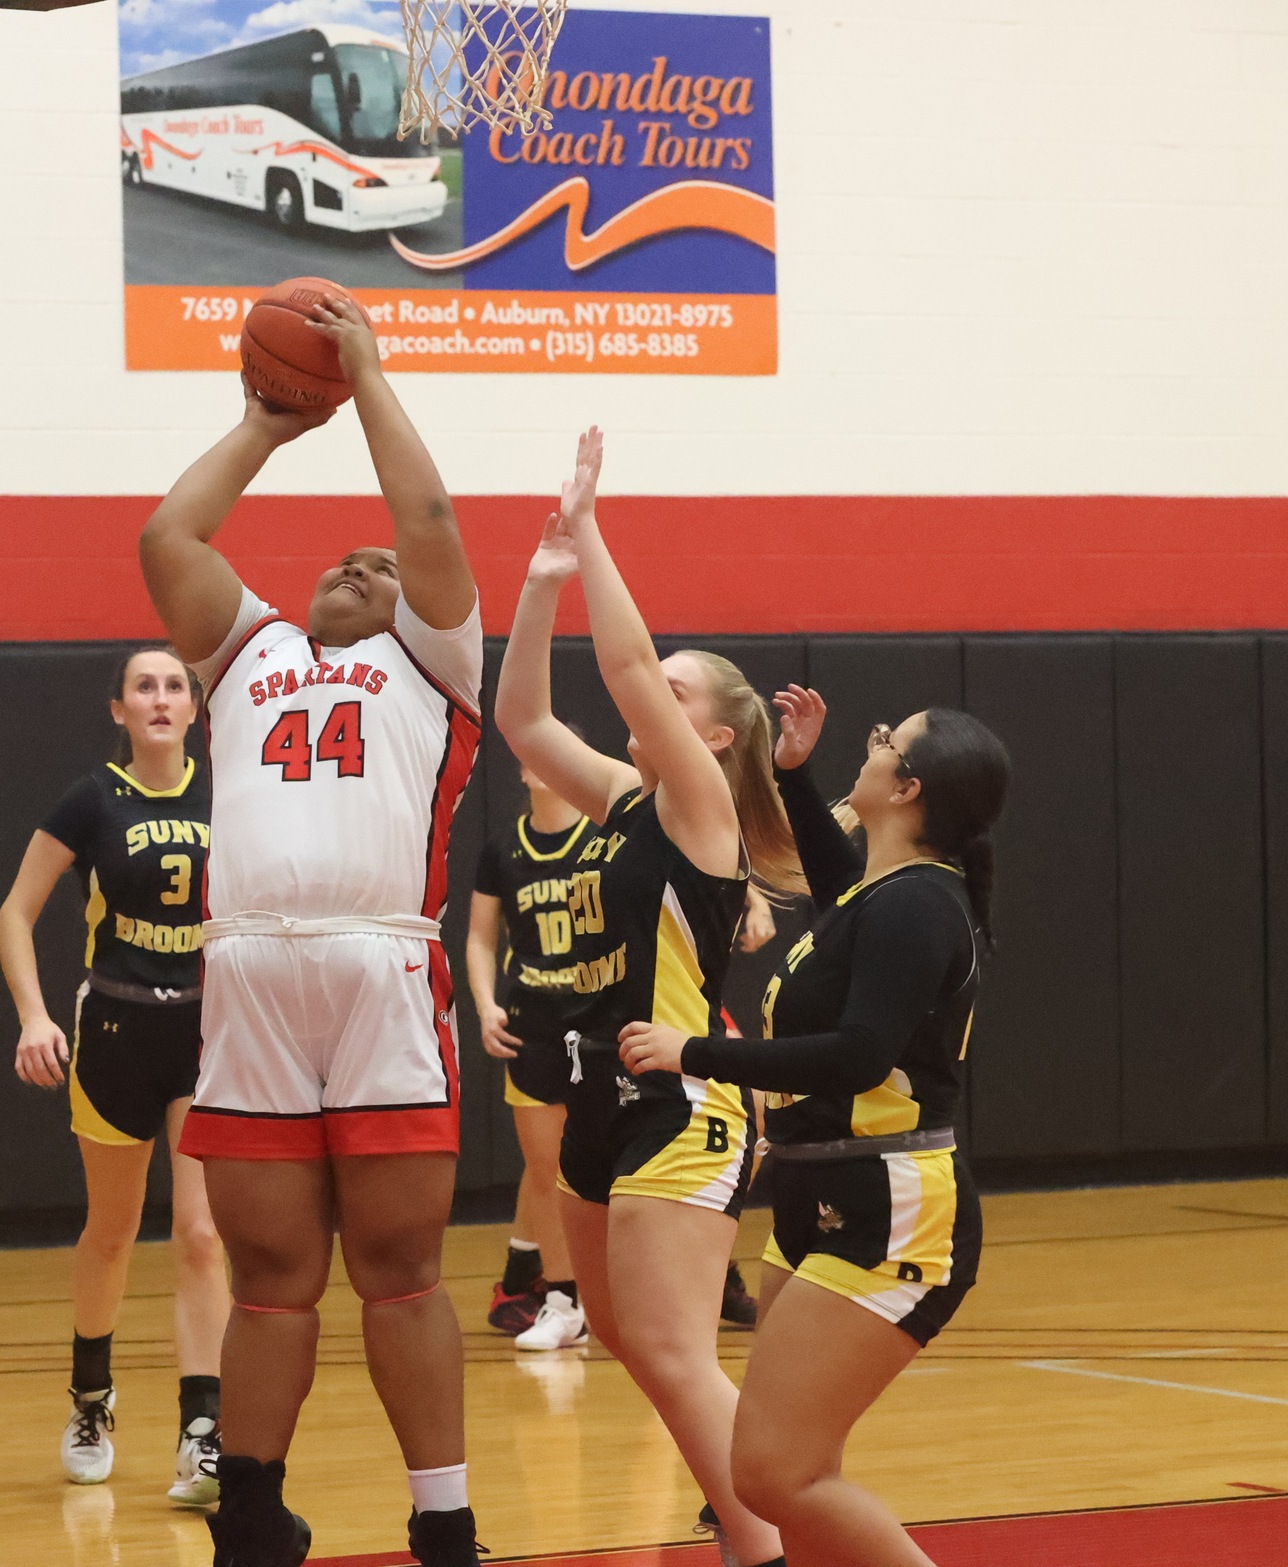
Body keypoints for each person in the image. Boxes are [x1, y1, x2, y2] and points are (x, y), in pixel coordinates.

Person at [138, 296, 485, 1567]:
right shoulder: (245, 651)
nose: (358, 561)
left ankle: (441, 1525)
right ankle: (248, 1514)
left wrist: (369, 376)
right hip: (246, 970)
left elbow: (429, 524)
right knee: (271, 1271)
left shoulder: (435, 662)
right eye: (338, 559)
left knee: (397, 1266)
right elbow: (168, 532)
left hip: (380, 957)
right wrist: (265, 425)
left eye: (375, 566)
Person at [493, 428, 807, 1567]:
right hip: (594, 1101)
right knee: (628, 1337)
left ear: (710, 735)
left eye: (677, 691)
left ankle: (767, 1541)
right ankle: (743, 1525)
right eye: (655, 681)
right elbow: (522, 720)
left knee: (674, 1352)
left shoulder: (700, 812)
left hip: (679, 1103)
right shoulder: (626, 798)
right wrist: (535, 588)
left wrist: (586, 530)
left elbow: (623, 669)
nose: (645, 687)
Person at [621, 687, 1009, 1565]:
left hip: (887, 1200)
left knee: (770, 1478)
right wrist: (792, 775)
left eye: (883, 740)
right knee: (794, 1467)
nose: (867, 746)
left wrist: (693, 1053)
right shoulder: (881, 892)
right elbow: (836, 879)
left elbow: (856, 1055)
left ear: (906, 788)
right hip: (818, 1187)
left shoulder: (917, 903)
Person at [0, 648, 230, 1504]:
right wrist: (33, 1014)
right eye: (145, 686)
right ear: (118, 709)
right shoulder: (93, 797)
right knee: (113, 1230)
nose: (161, 698)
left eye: (175, 685)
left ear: (195, 707)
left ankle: (203, 1431)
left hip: (204, 1029)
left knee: (203, 1235)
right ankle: (90, 1399)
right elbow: (14, 914)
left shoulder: (228, 791)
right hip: (117, 1028)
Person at [466, 758, 591, 1349]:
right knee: (547, 1173)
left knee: (615, 1166)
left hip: (597, 1021)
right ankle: (562, 1302)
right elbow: (480, 937)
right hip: (532, 1024)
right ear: (518, 770)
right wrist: (487, 1004)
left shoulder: (602, 837)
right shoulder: (502, 849)